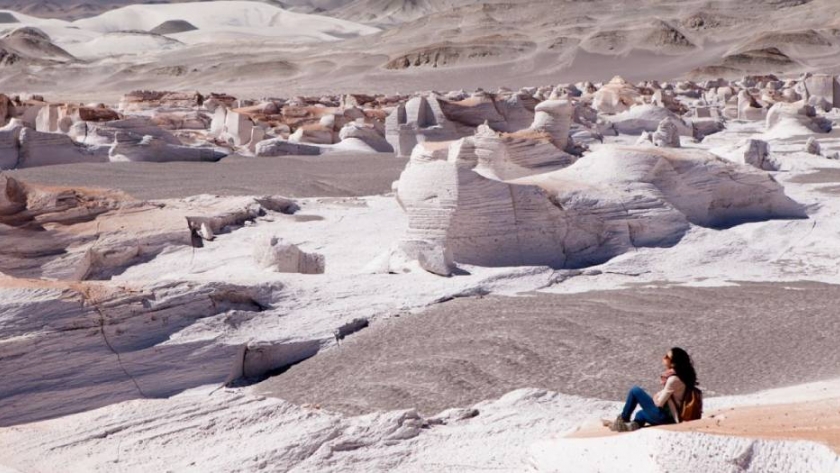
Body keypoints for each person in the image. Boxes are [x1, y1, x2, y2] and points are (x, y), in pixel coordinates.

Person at [606, 347, 698, 432]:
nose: (664, 357)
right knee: (640, 414)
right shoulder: (682, 376)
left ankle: (622, 420)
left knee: (635, 391)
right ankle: (633, 425)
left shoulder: (673, 379)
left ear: (673, 363)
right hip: (670, 416)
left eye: (667, 357)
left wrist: (655, 397)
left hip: (667, 418)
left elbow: (659, 403)